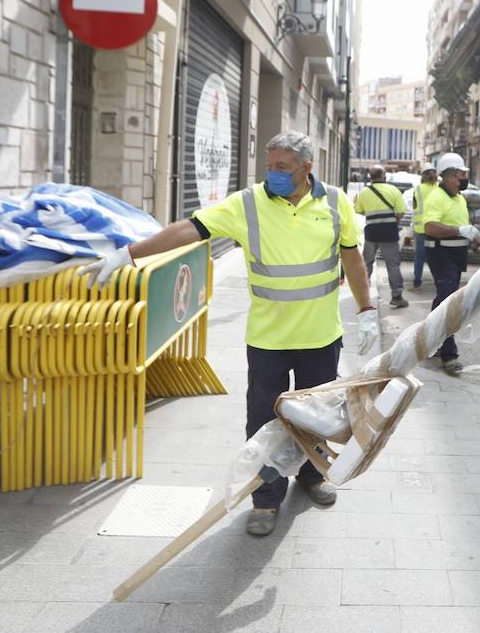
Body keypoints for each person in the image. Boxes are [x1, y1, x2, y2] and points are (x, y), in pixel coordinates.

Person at [80, 131, 376, 538]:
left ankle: (312, 476)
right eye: (269, 166)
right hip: (268, 339)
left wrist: (367, 309)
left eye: (282, 168)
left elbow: (352, 257)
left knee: (318, 416)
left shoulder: (335, 202)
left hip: (321, 336)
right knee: (263, 421)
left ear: (308, 168)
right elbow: (191, 228)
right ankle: (265, 499)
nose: (272, 174)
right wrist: (129, 254)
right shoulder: (248, 203)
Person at [420, 152, 480, 375]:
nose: (463, 178)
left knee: (444, 300)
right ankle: (448, 354)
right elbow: (430, 227)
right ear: (448, 176)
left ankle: (431, 338)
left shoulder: (458, 198)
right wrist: (459, 231)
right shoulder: (437, 197)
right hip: (441, 255)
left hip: (456, 256)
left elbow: (461, 227)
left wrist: (475, 241)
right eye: (460, 174)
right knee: (448, 302)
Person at [354, 165, 409, 308]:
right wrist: (392, 221)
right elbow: (401, 212)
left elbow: (359, 210)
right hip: (389, 232)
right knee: (392, 264)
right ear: (383, 175)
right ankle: (397, 296)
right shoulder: (393, 190)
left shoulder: (364, 192)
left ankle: (363, 297)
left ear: (370, 177)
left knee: (367, 263)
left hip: (371, 232)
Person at [410, 166, 439, 289]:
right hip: (435, 227)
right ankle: (438, 279)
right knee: (437, 255)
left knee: (419, 257)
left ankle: (417, 281)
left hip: (420, 228)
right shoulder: (440, 188)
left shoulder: (417, 189)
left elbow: (414, 205)